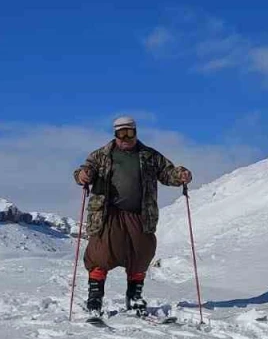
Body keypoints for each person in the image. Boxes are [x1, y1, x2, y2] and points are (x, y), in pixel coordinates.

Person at [74, 116, 192, 317]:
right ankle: (95, 297)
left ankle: (134, 297)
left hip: (140, 215)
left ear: (136, 132)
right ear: (115, 134)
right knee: (100, 253)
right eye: (121, 133)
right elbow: (84, 171)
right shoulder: (101, 155)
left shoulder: (149, 156)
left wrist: (181, 174)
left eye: (129, 132)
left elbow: (167, 172)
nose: (126, 137)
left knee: (141, 254)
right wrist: (82, 175)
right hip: (108, 215)